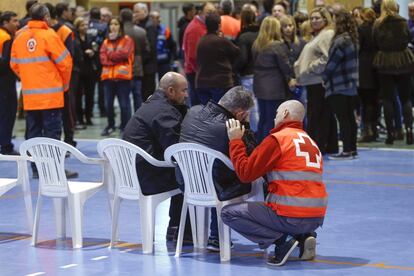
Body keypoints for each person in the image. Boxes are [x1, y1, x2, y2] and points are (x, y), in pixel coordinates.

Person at [222, 100, 327, 266]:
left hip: (291, 216)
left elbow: (245, 173)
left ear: (285, 114)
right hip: (315, 218)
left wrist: (235, 141)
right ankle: (304, 236)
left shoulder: (277, 140)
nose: (274, 117)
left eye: (277, 113)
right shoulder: (310, 142)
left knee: (228, 213)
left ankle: (282, 241)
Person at [179, 86, 255, 251]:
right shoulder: (231, 127)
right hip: (217, 188)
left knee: (216, 171)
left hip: (187, 183)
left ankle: (215, 237)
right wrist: (246, 126)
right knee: (253, 179)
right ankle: (277, 236)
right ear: (240, 113)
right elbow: (252, 158)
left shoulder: (193, 111)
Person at [122, 72, 190, 242]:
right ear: (171, 91)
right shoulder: (165, 112)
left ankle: (175, 228)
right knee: (191, 177)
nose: (187, 95)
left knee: (181, 171)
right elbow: (176, 150)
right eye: (184, 91)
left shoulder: (151, 104)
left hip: (132, 174)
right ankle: (184, 232)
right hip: (148, 177)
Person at [10, 3, 74, 178]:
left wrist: (29, 79)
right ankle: (53, 171)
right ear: (46, 17)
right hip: (51, 96)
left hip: (30, 97)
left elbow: (14, 65)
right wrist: (64, 85)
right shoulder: (50, 35)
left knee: (33, 134)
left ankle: (37, 170)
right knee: (52, 136)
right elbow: (66, 63)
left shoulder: (19, 36)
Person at [294, 7, 338, 155]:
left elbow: (326, 58)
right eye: (311, 18)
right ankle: (328, 145)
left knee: (318, 115)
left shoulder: (326, 35)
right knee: (322, 114)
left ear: (325, 19)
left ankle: (319, 146)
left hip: (318, 81)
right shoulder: (318, 35)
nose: (313, 21)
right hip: (313, 81)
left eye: (317, 18)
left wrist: (311, 68)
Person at [373, 0, 414, 145]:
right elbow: (408, 38)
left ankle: (390, 134)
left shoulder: (378, 24)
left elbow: (375, 42)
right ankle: (409, 131)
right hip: (403, 61)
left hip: (385, 62)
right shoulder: (403, 22)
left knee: (387, 99)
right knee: (406, 99)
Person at [322, 10, 359, 160]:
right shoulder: (352, 39)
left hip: (338, 85)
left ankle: (347, 151)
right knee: (350, 119)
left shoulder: (339, 41)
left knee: (343, 119)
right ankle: (352, 149)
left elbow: (332, 64)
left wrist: (324, 77)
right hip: (351, 85)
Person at [252, 16, 294, 142]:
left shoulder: (256, 45)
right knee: (273, 121)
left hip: (259, 86)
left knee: (263, 119)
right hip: (275, 88)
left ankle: (260, 147)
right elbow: (286, 67)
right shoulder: (277, 45)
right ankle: (271, 149)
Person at [99, 17, 134, 136]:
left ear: (120, 26)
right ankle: (110, 125)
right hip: (108, 79)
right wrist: (114, 59)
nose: (113, 26)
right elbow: (103, 60)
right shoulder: (105, 42)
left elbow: (124, 54)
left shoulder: (127, 40)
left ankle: (125, 127)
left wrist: (110, 55)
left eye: (116, 24)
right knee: (108, 105)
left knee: (124, 105)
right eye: (111, 24)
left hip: (123, 79)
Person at [196, 13, 240, 105]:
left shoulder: (201, 41)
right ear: (219, 25)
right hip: (221, 83)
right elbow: (237, 52)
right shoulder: (221, 41)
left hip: (202, 83)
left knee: (206, 114)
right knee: (221, 114)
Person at [182, 2, 216, 106]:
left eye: (213, 12)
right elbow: (192, 56)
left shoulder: (203, 25)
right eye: (209, 12)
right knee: (199, 106)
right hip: (196, 73)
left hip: (202, 72)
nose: (212, 15)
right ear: (200, 12)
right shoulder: (195, 29)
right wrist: (202, 72)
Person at [234, 7, 260, 132]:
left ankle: (254, 135)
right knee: (261, 107)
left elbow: (242, 58)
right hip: (262, 74)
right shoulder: (261, 34)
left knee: (251, 108)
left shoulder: (243, 37)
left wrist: (234, 69)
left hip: (248, 75)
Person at [120, 8, 150, 112]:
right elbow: (147, 50)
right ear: (131, 16)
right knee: (137, 95)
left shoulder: (119, 32)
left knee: (124, 97)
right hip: (138, 66)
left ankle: (125, 122)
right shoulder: (141, 31)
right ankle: (138, 120)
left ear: (121, 18)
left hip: (121, 67)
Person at [357, 8, 379, 142]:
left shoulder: (362, 28)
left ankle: (367, 131)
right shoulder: (377, 28)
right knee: (375, 101)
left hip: (364, 67)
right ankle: (374, 130)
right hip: (376, 65)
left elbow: (358, 47)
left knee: (365, 102)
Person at [0, 11, 19, 155]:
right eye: (14, 20)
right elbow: (6, 63)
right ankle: (6, 146)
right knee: (7, 113)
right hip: (5, 82)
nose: (17, 24)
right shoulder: (6, 38)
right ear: (5, 23)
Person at [73, 17, 98, 126]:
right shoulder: (75, 38)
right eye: (82, 25)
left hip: (89, 69)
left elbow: (96, 48)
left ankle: (88, 116)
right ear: (77, 27)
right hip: (79, 69)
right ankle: (79, 117)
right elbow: (75, 53)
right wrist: (84, 52)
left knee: (90, 95)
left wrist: (93, 52)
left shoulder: (90, 37)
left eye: (86, 25)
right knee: (79, 96)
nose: (85, 27)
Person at [133, 3, 158, 102]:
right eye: (134, 12)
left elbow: (150, 49)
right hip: (142, 66)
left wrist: (139, 61)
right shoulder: (139, 24)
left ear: (145, 11)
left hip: (148, 67)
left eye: (137, 12)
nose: (134, 14)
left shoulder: (149, 25)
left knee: (147, 95)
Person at [150, 11, 177, 80]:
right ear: (151, 19)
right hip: (151, 62)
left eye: (159, 17)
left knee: (164, 82)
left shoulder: (165, 30)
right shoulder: (147, 30)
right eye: (155, 18)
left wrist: (174, 59)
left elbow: (172, 45)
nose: (158, 19)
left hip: (164, 62)